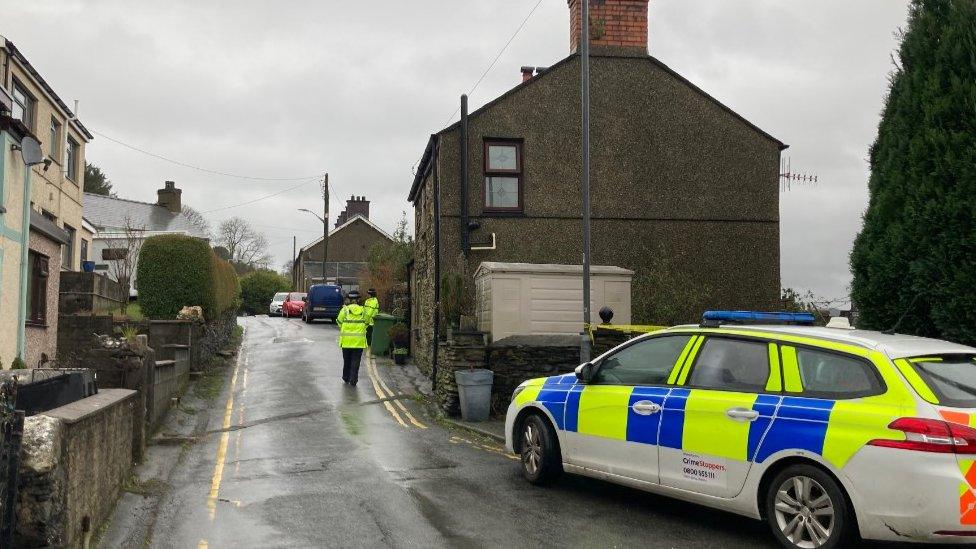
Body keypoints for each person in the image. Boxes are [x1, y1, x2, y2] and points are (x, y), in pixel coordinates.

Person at [336, 290, 368, 386]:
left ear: (349, 300)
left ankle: (346, 377)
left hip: (346, 341)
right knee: (356, 361)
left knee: (347, 360)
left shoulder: (345, 310)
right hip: (359, 342)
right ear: (358, 300)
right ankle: (353, 380)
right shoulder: (363, 311)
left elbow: (338, 321)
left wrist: (344, 328)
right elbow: (366, 323)